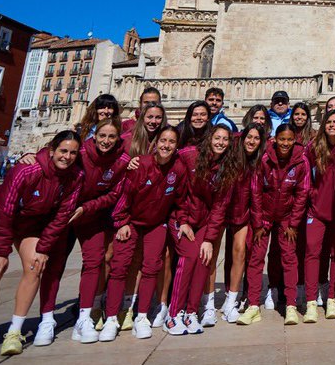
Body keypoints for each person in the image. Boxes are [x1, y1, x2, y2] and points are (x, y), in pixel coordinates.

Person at [0, 130, 83, 359]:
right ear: (51, 150)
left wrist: (44, 248)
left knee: (34, 267)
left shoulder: (75, 177)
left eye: (72, 153)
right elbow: (4, 208)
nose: (67, 156)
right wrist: (1, 251)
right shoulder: (27, 169)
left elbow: (62, 216)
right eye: (63, 151)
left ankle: (15, 331)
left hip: (32, 224)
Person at [34, 117, 131, 344]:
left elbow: (115, 194)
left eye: (111, 137)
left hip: (89, 214)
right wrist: (32, 156)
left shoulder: (121, 160)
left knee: (94, 262)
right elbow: (53, 155)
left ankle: (84, 317)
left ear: (119, 139)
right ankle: (46, 320)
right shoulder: (81, 152)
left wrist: (86, 208)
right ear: (94, 135)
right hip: (63, 214)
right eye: (102, 136)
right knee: (54, 266)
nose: (106, 141)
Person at [100, 125, 188, 342]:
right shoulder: (140, 165)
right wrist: (121, 222)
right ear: (156, 143)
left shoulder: (178, 169)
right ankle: (112, 318)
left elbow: (181, 200)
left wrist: (183, 222)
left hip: (156, 224)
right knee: (120, 266)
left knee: (151, 267)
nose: (166, 146)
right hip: (130, 222)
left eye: (172, 142)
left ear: (177, 146)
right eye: (163, 141)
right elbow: (124, 196)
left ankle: (141, 317)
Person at [166, 123, 239, 335]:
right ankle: (174, 314)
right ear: (209, 138)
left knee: (203, 260)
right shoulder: (189, 155)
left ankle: (191, 312)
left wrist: (209, 238)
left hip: (204, 220)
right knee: (188, 258)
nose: (221, 143)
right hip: (181, 217)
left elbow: (220, 206)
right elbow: (175, 183)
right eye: (217, 138)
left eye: (225, 139)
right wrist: (184, 220)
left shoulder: (227, 168)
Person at [238, 124, 309, 325]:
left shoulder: (301, 161)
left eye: (289, 140)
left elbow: (302, 194)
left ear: (294, 140)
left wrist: (294, 224)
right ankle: (253, 305)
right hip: (265, 217)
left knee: (289, 258)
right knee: (255, 258)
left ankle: (291, 305)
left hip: (287, 218)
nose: (285, 143)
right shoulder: (265, 159)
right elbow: (256, 191)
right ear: (275, 139)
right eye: (282, 139)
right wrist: (258, 222)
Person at [302, 108, 335, 323]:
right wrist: (311, 192)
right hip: (317, 209)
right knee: (312, 253)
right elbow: (303, 171)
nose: (331, 125)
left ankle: (332, 298)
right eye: (328, 122)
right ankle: (311, 302)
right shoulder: (314, 147)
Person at [219, 123, 264, 321]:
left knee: (239, 251)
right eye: (249, 137)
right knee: (211, 256)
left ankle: (231, 299)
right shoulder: (229, 154)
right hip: (220, 208)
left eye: (256, 138)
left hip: (242, 211)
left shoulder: (258, 161)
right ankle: (209, 300)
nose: (251, 141)